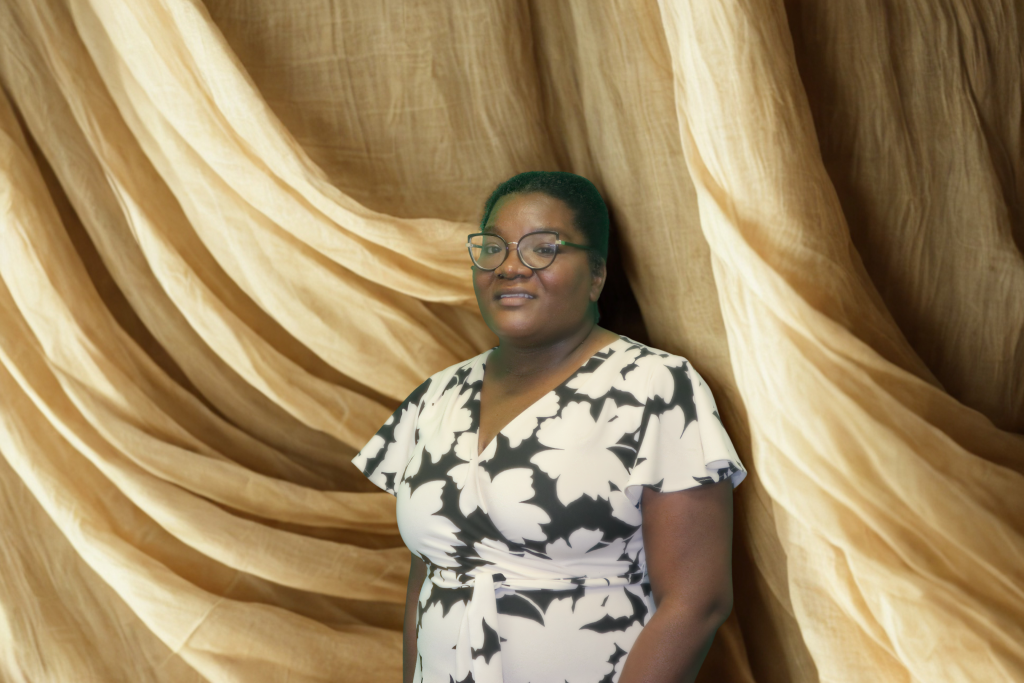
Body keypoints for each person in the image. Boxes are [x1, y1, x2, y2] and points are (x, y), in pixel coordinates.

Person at [352, 171, 746, 683]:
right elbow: (429, 578)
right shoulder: (437, 395)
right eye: (493, 248)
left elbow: (697, 601)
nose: (510, 267)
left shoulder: (655, 385)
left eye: (543, 249)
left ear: (597, 275)